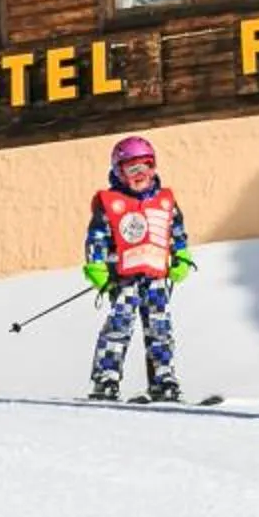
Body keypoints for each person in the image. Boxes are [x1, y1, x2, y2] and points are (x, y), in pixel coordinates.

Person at [85, 135, 194, 402]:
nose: (140, 175)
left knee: (160, 327)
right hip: (123, 278)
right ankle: (106, 377)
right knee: (119, 324)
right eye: (131, 169)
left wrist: (181, 256)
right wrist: (96, 265)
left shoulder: (165, 201)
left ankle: (163, 377)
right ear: (118, 171)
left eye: (146, 166)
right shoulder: (111, 204)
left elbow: (177, 232)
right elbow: (96, 238)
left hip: (156, 276)